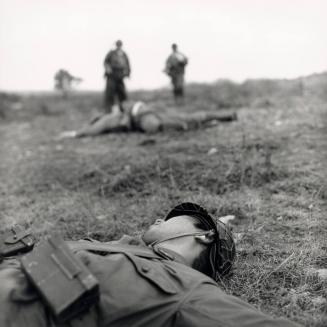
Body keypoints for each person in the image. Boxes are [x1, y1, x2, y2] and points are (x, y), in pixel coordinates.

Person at [0, 202, 300, 326]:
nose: (160, 218)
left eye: (171, 219)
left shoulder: (187, 288)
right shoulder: (118, 247)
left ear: (205, 235)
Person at [58, 101, 237, 138]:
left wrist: (74, 133)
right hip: (149, 109)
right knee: (190, 117)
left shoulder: (107, 119)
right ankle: (225, 116)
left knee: (162, 125)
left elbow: (92, 130)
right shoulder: (115, 115)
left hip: (144, 115)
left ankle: (202, 124)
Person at [103, 40, 131, 113]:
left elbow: (128, 65)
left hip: (120, 76)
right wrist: (108, 69)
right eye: (118, 45)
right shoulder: (111, 53)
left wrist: (127, 73)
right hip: (112, 76)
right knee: (110, 94)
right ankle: (108, 111)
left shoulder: (124, 54)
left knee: (122, 94)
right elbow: (105, 62)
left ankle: (123, 110)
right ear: (116, 45)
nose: (119, 46)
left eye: (120, 45)